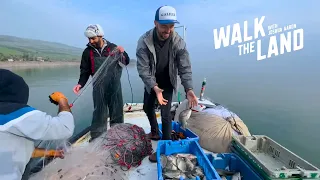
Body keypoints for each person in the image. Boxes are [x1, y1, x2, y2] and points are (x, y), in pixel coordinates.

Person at [136, 5, 198, 162]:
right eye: (164, 26)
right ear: (155, 23)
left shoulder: (179, 42)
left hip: (168, 82)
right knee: (147, 107)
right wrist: (155, 88)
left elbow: (185, 68)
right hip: (152, 82)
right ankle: (155, 132)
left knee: (165, 115)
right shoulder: (144, 41)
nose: (168, 30)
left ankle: (164, 151)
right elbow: (143, 69)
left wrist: (189, 88)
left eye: (171, 26)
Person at [0, 69, 75, 180]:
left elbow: (12, 151)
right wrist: (62, 100)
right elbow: (65, 127)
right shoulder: (17, 114)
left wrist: (51, 152)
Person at [73, 24, 130, 141]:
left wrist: (123, 52)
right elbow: (85, 70)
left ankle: (118, 136)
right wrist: (80, 84)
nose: (90, 41)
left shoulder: (113, 48)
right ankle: (98, 138)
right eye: (89, 39)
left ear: (100, 36)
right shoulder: (87, 52)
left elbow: (126, 62)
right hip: (98, 87)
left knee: (117, 110)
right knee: (99, 112)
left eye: (93, 38)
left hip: (114, 86)